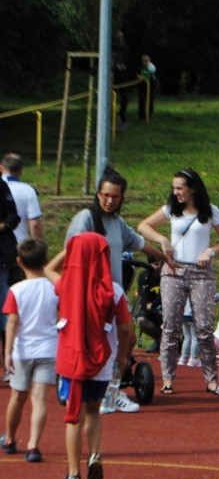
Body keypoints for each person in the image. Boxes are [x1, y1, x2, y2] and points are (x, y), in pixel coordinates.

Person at [60, 165, 174, 411]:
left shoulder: (116, 222)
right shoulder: (86, 219)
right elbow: (70, 255)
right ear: (98, 193)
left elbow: (140, 244)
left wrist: (164, 259)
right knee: (110, 344)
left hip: (112, 294)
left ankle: (111, 392)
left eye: (115, 196)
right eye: (105, 195)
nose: (110, 201)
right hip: (89, 295)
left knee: (127, 338)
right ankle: (104, 394)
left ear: (122, 198)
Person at [138, 168, 219, 395]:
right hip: (174, 270)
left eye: (180, 188)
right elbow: (143, 226)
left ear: (192, 188)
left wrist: (210, 251)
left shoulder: (210, 211)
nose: (176, 192)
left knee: (203, 326)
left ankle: (211, 379)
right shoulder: (172, 210)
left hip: (201, 273)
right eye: (174, 188)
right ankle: (168, 379)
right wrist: (162, 239)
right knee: (171, 326)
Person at [53, 232, 133, 479]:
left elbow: (46, 269)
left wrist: (70, 250)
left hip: (73, 361)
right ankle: (95, 453)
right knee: (93, 413)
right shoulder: (114, 290)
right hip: (102, 362)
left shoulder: (66, 284)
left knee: (72, 417)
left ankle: (73, 473)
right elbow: (125, 327)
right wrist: (121, 355)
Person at [1, 239, 58, 462]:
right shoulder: (54, 288)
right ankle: (33, 445)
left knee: (17, 396)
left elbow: (13, 322)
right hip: (48, 349)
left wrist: (6, 353)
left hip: (23, 350)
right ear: (45, 261)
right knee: (40, 399)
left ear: (18, 262)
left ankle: (10, 438)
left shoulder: (16, 290)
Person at [2, 153, 43, 245]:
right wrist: (38, 248)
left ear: (1, 168)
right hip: (19, 246)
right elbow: (35, 225)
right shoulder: (28, 191)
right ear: (21, 170)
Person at [0, 178, 19, 382]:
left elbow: (13, 217)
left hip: (2, 259)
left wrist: (3, 225)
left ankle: (8, 363)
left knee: (4, 311)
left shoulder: (1, 186)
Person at [177, 300, 200, 367]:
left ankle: (183, 358)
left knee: (187, 338)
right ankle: (193, 358)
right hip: (193, 316)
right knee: (195, 338)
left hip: (184, 315)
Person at [138, 54, 157, 119]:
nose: (145, 62)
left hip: (150, 86)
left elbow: (153, 75)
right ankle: (142, 115)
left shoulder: (151, 67)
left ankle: (149, 113)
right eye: (144, 61)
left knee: (150, 100)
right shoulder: (140, 68)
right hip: (142, 87)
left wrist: (153, 76)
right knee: (142, 101)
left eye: (147, 60)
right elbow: (141, 76)